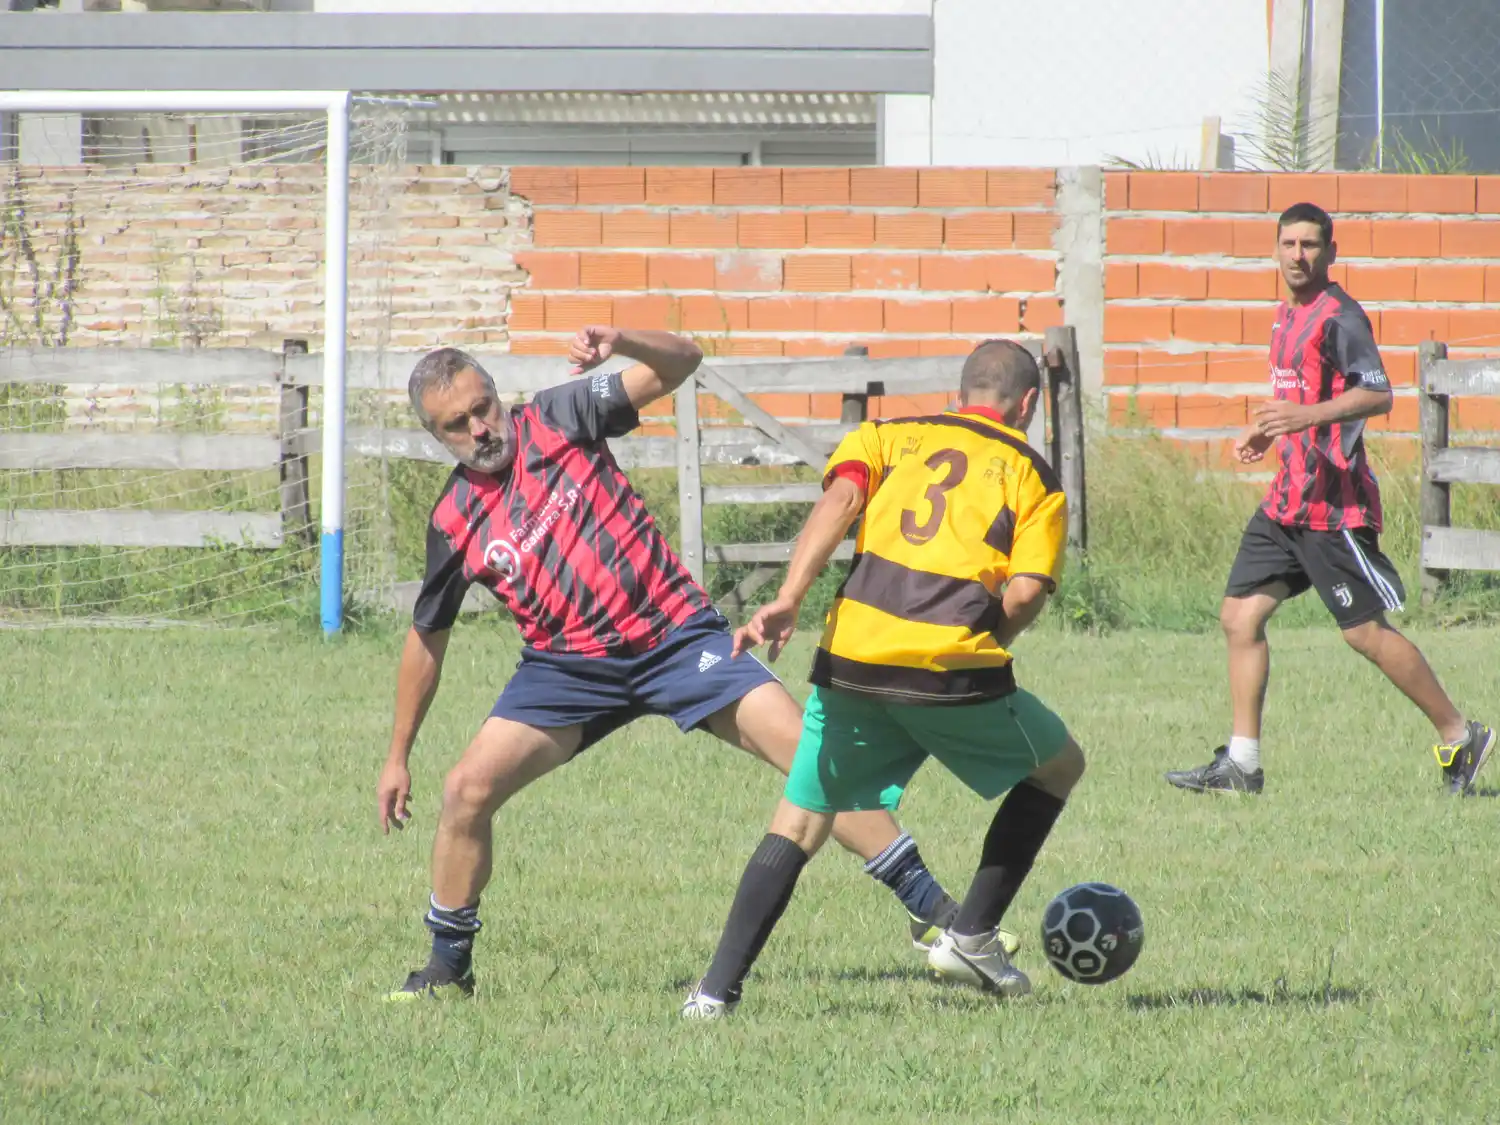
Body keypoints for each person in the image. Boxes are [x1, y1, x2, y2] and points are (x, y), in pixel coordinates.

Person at [377, 326, 974, 1000]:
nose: (480, 427)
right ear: (437, 438)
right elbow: (427, 636)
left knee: (811, 750)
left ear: (496, 394)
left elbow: (684, 361)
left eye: (483, 405)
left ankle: (941, 916)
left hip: (675, 637)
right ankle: (447, 966)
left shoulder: (560, 413)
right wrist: (399, 754)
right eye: (457, 424)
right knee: (465, 790)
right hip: (566, 671)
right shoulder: (454, 520)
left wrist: (624, 340)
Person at [680, 339, 1086, 1018]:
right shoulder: (1034, 476)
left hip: (853, 657)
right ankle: (972, 934)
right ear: (1028, 403)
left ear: (963, 392)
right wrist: (987, 644)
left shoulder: (885, 436)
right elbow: (1022, 594)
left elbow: (837, 503)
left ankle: (713, 994)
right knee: (1060, 765)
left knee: (802, 816)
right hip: (951, 669)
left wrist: (789, 595)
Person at [1165, 203, 1493, 797]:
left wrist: (1306, 416)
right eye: (1289, 243)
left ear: (1330, 253)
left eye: (1310, 245)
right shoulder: (1284, 315)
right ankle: (1242, 765)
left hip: (1331, 508)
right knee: (1239, 616)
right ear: (1275, 250)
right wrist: (1266, 429)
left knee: (1363, 632)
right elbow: (1299, 399)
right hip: (1286, 501)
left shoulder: (1340, 317)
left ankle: (1458, 733)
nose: (1298, 255)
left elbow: (1378, 393)